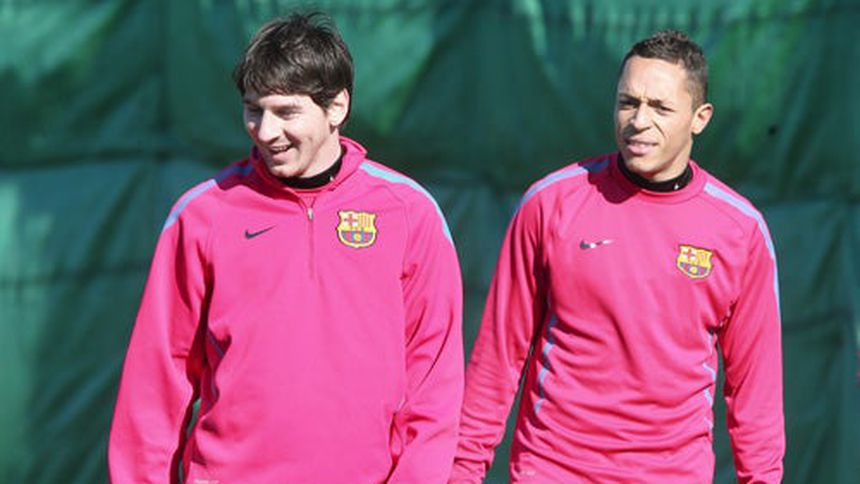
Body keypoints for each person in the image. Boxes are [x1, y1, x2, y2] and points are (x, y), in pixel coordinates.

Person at [108, 12, 463, 483]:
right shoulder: (201, 215)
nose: (265, 131)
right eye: (254, 110)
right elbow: (155, 385)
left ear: (337, 107)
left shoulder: (409, 213)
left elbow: (433, 385)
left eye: (286, 112)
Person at [450, 30, 783, 483]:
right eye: (628, 102)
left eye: (660, 107)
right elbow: (497, 361)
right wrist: (461, 473)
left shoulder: (740, 231)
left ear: (700, 118)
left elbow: (755, 393)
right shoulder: (549, 205)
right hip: (551, 471)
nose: (639, 120)